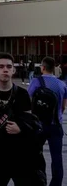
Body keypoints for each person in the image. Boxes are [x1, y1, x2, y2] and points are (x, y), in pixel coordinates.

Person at [0, 53, 46, 186]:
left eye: (9, 66)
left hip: (20, 154)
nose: (5, 69)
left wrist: (20, 127)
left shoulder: (22, 94)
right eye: (1, 66)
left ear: (13, 70)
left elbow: (30, 122)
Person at [28, 57, 67, 186]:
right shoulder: (62, 84)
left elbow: (30, 101)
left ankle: (38, 180)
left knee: (35, 154)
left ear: (43, 67)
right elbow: (63, 107)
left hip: (39, 124)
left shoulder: (36, 81)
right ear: (54, 68)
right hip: (56, 125)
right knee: (57, 159)